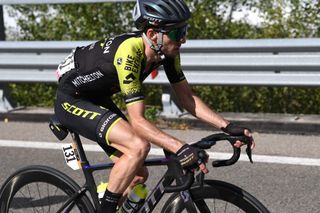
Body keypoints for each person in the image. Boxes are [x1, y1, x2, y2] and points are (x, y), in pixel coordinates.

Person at [54, 0, 254, 212]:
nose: (183, 39)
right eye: (177, 34)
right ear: (152, 35)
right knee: (138, 146)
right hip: (72, 100)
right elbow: (138, 122)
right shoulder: (129, 52)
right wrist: (180, 148)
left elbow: (187, 99)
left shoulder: (166, 52)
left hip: (98, 97)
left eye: (184, 30)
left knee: (137, 175)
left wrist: (227, 126)